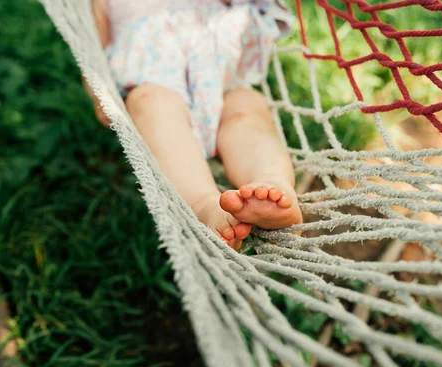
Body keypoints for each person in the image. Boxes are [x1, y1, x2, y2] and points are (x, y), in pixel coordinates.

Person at [86, 0, 302, 250]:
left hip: (219, 79)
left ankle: (272, 183)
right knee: (150, 105)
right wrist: (97, 90)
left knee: (246, 108)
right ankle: (204, 205)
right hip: (154, 79)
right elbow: (93, 42)